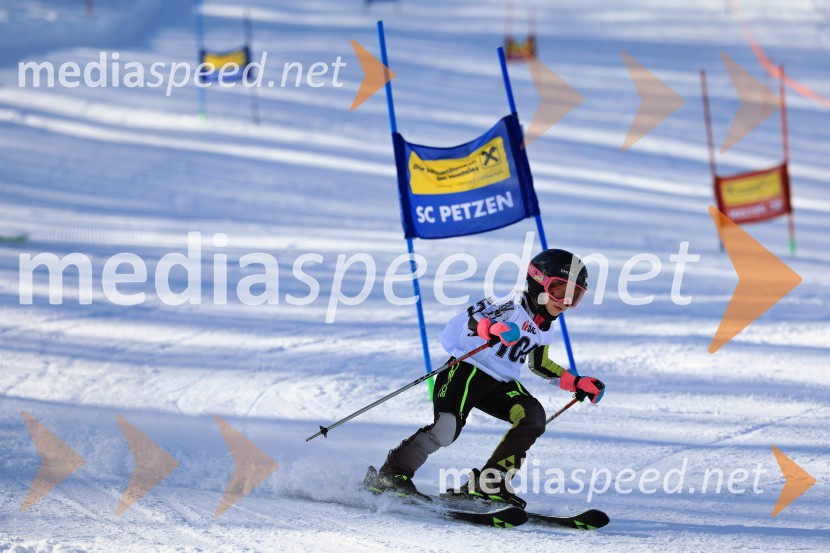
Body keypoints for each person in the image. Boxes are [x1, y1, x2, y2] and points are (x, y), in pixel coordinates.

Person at [366, 248, 605, 508]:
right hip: (466, 369)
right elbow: (470, 320)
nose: (565, 302)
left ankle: (490, 483)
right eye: (561, 291)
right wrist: (493, 328)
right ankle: (392, 475)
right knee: (446, 430)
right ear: (539, 282)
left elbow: (541, 364)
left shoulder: (545, 327)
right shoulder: (511, 303)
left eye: (575, 296)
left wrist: (577, 382)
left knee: (533, 416)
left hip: (499, 384)